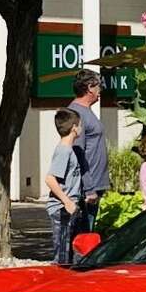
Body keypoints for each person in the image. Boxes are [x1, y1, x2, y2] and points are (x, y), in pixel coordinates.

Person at [69, 70, 110, 230]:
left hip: (94, 185)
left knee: (87, 233)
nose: (100, 90)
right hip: (86, 188)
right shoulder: (77, 113)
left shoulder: (86, 111)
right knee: (83, 236)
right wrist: (89, 189)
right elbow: (78, 153)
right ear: (89, 88)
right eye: (98, 86)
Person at [45, 108, 83, 265]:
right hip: (61, 210)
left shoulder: (68, 150)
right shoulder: (64, 151)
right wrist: (67, 201)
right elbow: (50, 179)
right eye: (80, 125)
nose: (81, 128)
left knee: (70, 254)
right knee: (62, 257)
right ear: (74, 128)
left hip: (70, 208)